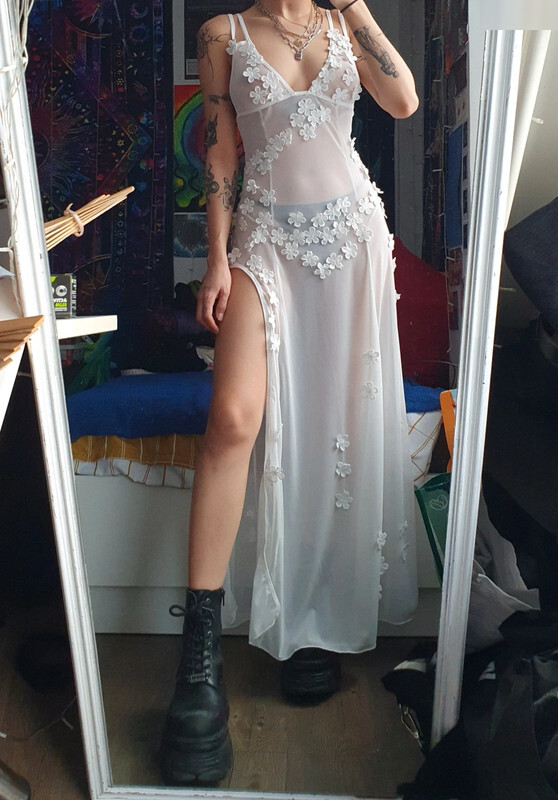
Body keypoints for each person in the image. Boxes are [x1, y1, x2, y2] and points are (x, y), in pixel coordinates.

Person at [160, 0, 419, 784]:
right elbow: (219, 151)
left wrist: (355, 6)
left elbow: (403, 100)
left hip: (352, 241)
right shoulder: (222, 34)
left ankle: (315, 624)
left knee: (337, 424)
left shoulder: (345, 26)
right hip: (264, 241)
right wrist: (215, 257)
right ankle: (199, 660)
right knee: (232, 420)